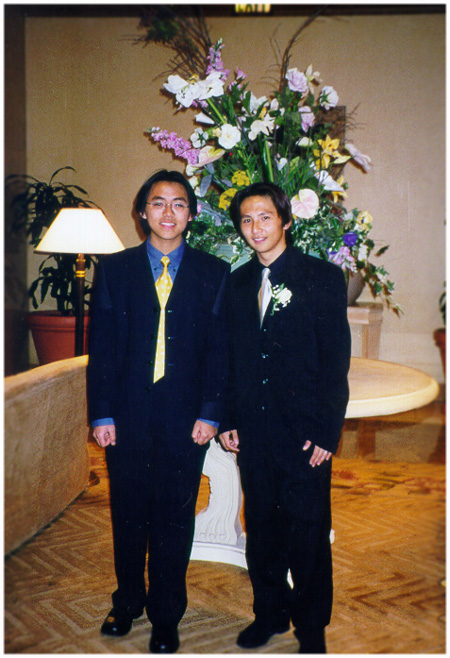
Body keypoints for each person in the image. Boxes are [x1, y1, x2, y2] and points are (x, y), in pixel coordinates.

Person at [87, 170, 229, 654]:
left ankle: (167, 614)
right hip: (126, 415)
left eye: (179, 204)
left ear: (191, 214)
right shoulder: (115, 269)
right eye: (158, 203)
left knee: (174, 516)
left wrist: (211, 412)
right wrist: (102, 414)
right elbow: (102, 349)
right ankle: (127, 601)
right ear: (142, 211)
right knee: (128, 513)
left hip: (185, 418)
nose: (168, 212)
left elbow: (218, 351)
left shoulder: (214, 272)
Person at [218, 182, 351, 654]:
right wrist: (228, 418)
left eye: (265, 217)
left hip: (304, 434)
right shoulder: (236, 283)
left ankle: (312, 626)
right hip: (254, 431)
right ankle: (269, 614)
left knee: (309, 531)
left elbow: (335, 362)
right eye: (247, 220)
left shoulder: (322, 278)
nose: (256, 228)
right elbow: (230, 358)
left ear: (286, 221)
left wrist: (327, 432)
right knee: (262, 528)